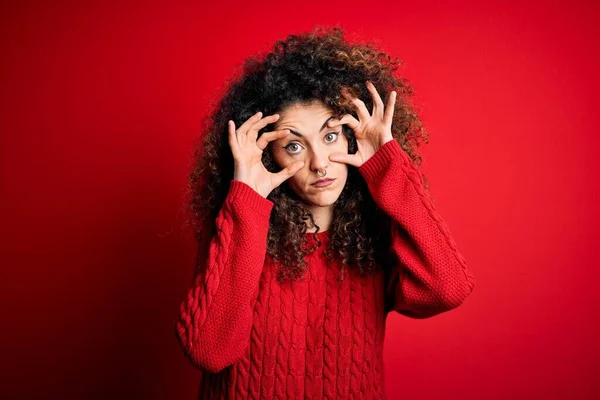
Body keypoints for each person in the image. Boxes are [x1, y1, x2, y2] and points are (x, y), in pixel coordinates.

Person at [174, 26, 476, 399]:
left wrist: (387, 167)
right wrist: (246, 198)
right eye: (295, 145)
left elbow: (446, 289)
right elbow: (209, 350)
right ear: (269, 154)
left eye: (330, 136)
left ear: (351, 136)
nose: (320, 163)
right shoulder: (237, 228)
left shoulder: (376, 235)